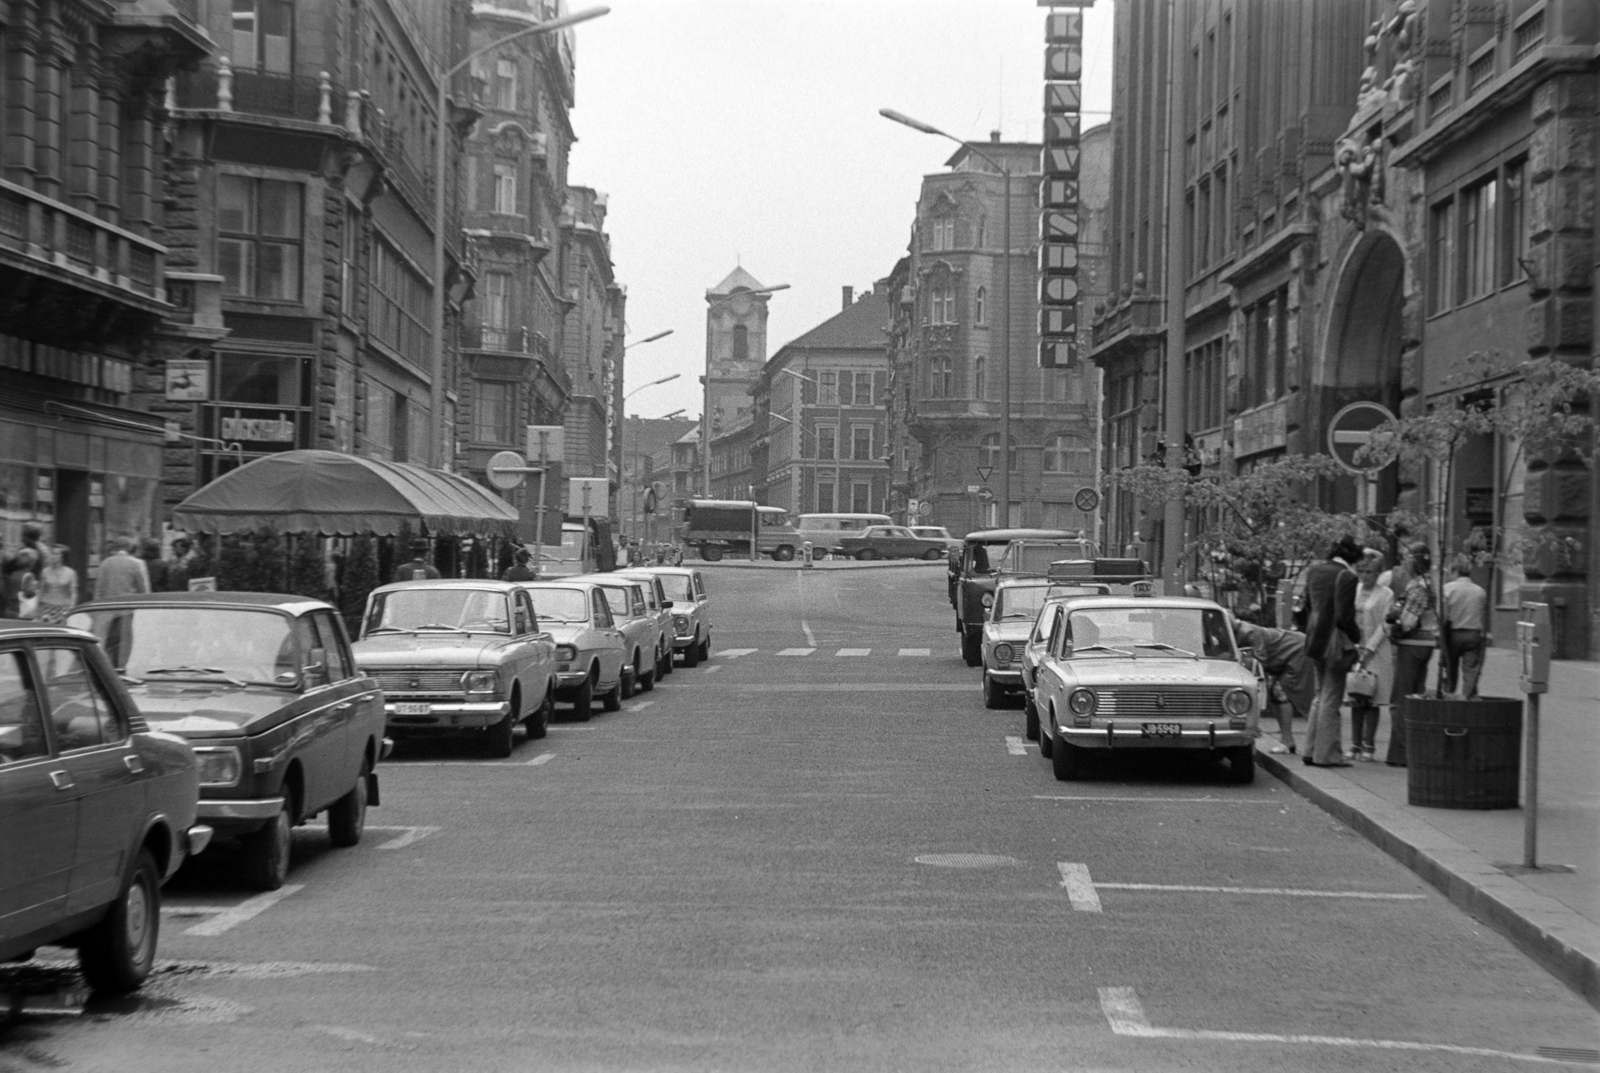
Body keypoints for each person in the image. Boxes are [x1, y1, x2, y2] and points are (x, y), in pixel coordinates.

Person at [1301, 535, 1363, 767]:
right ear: (1352, 558)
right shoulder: (1346, 576)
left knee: (1319, 696)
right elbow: (1345, 617)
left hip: (1315, 639)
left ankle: (1310, 750)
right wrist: (1357, 637)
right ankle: (1326, 755)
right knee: (1331, 698)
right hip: (1335, 644)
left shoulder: (1314, 571)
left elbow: (1308, 605)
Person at [1387, 543, 1439, 767]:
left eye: (1407, 558)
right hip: (1424, 644)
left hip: (1412, 643)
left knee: (1402, 698)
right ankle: (1412, 749)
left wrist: (1393, 626)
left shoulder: (1419, 586)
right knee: (1415, 694)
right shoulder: (1424, 583)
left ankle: (1401, 752)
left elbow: (1407, 621)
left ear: (1416, 561)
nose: (1403, 562)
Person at [1233, 618, 1314, 755]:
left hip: (1297, 652)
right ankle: (1288, 741)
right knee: (1279, 695)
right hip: (1290, 654)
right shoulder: (1244, 632)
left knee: (1284, 695)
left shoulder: (1251, 633)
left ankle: (1297, 742)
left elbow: (1260, 662)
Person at [1349, 550, 1394, 762]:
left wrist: (1370, 647)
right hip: (1354, 648)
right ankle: (1354, 744)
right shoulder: (1355, 589)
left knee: (1372, 699)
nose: (1364, 576)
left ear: (1377, 573)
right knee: (1356, 697)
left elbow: (1386, 624)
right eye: (1361, 571)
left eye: (1369, 572)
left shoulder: (1386, 594)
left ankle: (1369, 745)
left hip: (1376, 651)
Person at [1440, 557, 1489, 699]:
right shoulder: (1480, 591)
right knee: (1471, 671)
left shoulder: (1447, 589)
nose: (1449, 575)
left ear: (1455, 570)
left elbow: (1443, 616)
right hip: (1473, 634)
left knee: (1450, 669)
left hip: (1453, 634)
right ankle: (1467, 698)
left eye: (1450, 571)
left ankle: (1449, 696)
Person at [2, 523, 45, 618]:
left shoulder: (26, 553)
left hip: (19, 601)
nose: (21, 537)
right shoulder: (39, 552)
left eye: (23, 534)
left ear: (26, 536)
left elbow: (8, 567)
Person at [94, 536, 151, 600]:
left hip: (109, 604)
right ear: (129, 547)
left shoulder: (105, 563)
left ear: (115, 548)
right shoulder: (134, 564)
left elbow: (99, 589)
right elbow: (141, 589)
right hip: (128, 603)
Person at [34, 545, 78, 624]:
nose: (52, 556)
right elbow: (41, 591)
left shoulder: (71, 573)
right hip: (46, 607)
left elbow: (73, 592)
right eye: (51, 553)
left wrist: (72, 608)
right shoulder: (45, 572)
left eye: (56, 554)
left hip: (63, 608)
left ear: (62, 557)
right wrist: (37, 608)